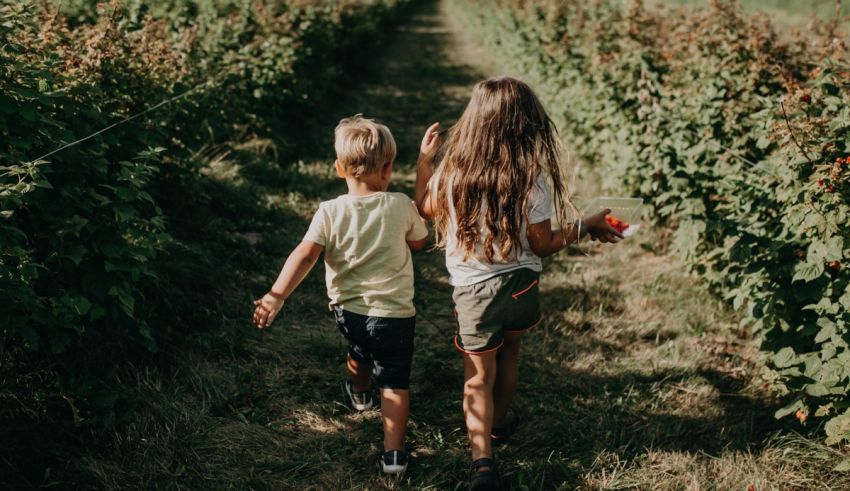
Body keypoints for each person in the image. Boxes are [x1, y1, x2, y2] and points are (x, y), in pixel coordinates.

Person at [414, 77, 622, 490]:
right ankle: (498, 425)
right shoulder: (530, 179)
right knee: (509, 357)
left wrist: (424, 163)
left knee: (477, 377)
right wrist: (587, 225)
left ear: (473, 121)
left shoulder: (453, 173)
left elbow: (424, 207)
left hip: (474, 295)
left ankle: (483, 463)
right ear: (526, 126)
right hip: (520, 289)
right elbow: (543, 245)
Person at [252, 114, 428, 475]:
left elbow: (304, 254)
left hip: (349, 313)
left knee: (359, 349)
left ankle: (360, 395)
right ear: (388, 167)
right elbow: (420, 241)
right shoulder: (398, 204)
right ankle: (394, 455)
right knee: (394, 381)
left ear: (337, 168)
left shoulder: (328, 212)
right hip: (394, 314)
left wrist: (276, 295)